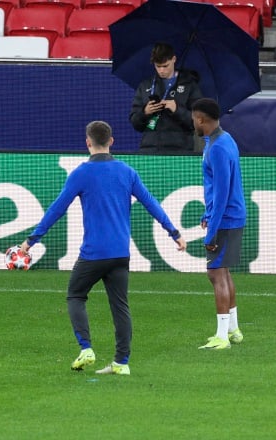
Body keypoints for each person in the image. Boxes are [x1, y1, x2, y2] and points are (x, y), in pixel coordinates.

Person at [20, 121, 187, 375]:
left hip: (93, 254)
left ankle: (86, 348)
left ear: (88, 142)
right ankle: (121, 363)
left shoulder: (81, 174)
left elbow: (57, 209)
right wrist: (173, 232)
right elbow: (151, 202)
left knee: (75, 295)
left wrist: (31, 240)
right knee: (120, 306)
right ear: (112, 141)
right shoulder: (127, 172)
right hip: (121, 253)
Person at [193, 98, 247, 350]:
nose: (193, 122)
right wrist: (208, 211)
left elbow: (223, 192)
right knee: (223, 272)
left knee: (215, 274)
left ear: (201, 119)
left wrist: (211, 233)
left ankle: (222, 336)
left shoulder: (216, 148)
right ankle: (234, 330)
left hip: (226, 220)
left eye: (194, 118)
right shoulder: (224, 140)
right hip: (229, 216)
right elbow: (219, 189)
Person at [129, 42, 204, 153]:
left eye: (165, 66)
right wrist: (145, 112)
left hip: (179, 151)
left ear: (173, 59)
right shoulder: (145, 85)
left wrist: (177, 109)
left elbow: (199, 121)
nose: (161, 71)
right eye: (158, 66)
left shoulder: (190, 85)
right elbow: (135, 123)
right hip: (150, 150)